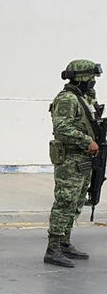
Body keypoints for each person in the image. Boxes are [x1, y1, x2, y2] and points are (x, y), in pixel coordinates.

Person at [45, 59, 103, 267]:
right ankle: (52, 248)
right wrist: (87, 141)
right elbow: (62, 128)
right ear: (80, 78)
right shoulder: (67, 99)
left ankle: (64, 242)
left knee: (77, 202)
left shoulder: (84, 98)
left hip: (84, 158)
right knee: (65, 202)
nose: (93, 81)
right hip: (70, 158)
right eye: (91, 77)